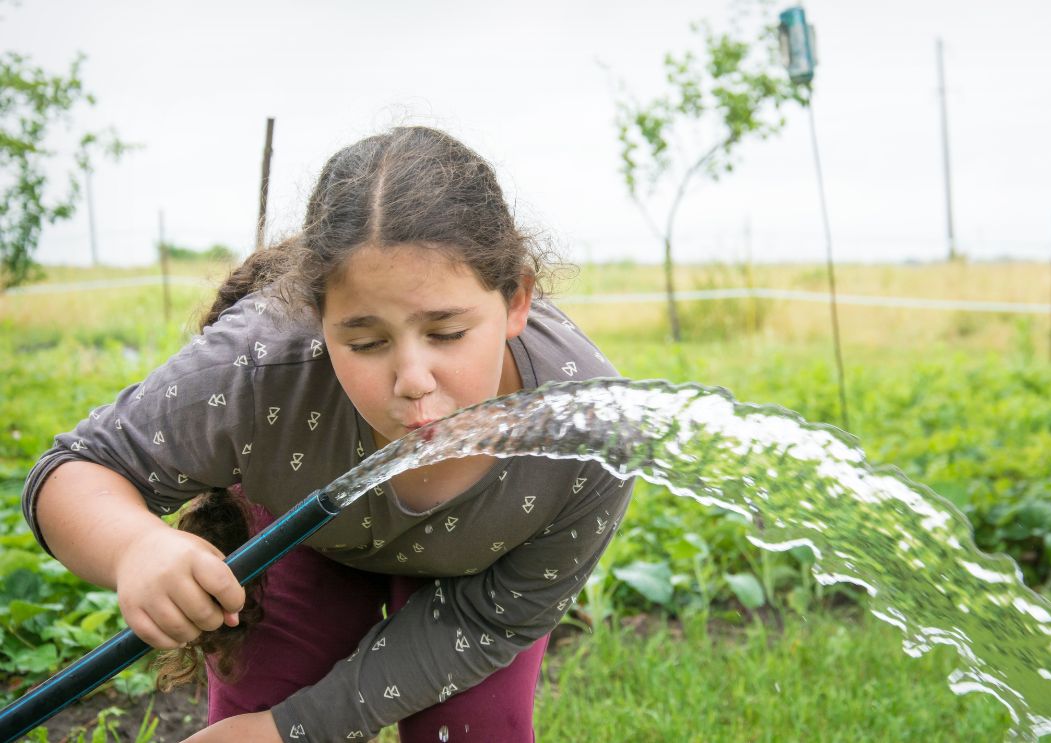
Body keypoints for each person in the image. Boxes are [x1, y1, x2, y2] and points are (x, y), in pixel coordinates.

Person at [21, 126, 634, 742]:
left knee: (475, 730)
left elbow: (491, 622)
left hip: (480, 583)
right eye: (365, 342)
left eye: (447, 334)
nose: (413, 381)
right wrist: (134, 547)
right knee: (256, 702)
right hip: (311, 543)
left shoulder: (587, 430)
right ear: (317, 318)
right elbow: (75, 467)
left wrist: (292, 730)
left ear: (517, 300)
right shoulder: (261, 369)